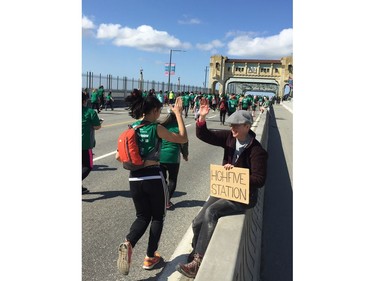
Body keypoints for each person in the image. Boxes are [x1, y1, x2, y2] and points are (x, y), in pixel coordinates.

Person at [176, 99, 268, 278]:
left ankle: (197, 262)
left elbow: (260, 179)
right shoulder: (229, 138)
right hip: (225, 189)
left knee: (212, 212)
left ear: (247, 127)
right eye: (232, 125)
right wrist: (201, 118)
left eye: (237, 125)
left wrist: (237, 174)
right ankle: (196, 251)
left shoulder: (257, 151)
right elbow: (205, 136)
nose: (232, 128)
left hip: (243, 196)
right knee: (197, 222)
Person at [116, 93, 188, 275]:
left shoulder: (130, 128)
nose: (159, 114)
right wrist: (178, 114)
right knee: (157, 217)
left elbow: (119, 156)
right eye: (159, 110)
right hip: (154, 178)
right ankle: (150, 257)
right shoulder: (155, 128)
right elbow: (182, 138)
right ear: (154, 110)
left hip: (134, 179)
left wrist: (140, 162)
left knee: (142, 216)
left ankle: (129, 242)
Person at [159, 110, 189, 210]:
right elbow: (184, 142)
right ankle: (167, 202)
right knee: (172, 179)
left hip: (161, 156)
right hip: (173, 156)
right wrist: (185, 155)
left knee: (162, 181)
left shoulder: (161, 125)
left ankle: (161, 200)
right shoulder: (179, 126)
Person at [82, 92, 102, 194]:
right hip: (84, 144)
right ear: (84, 101)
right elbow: (97, 126)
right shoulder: (90, 112)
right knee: (87, 166)